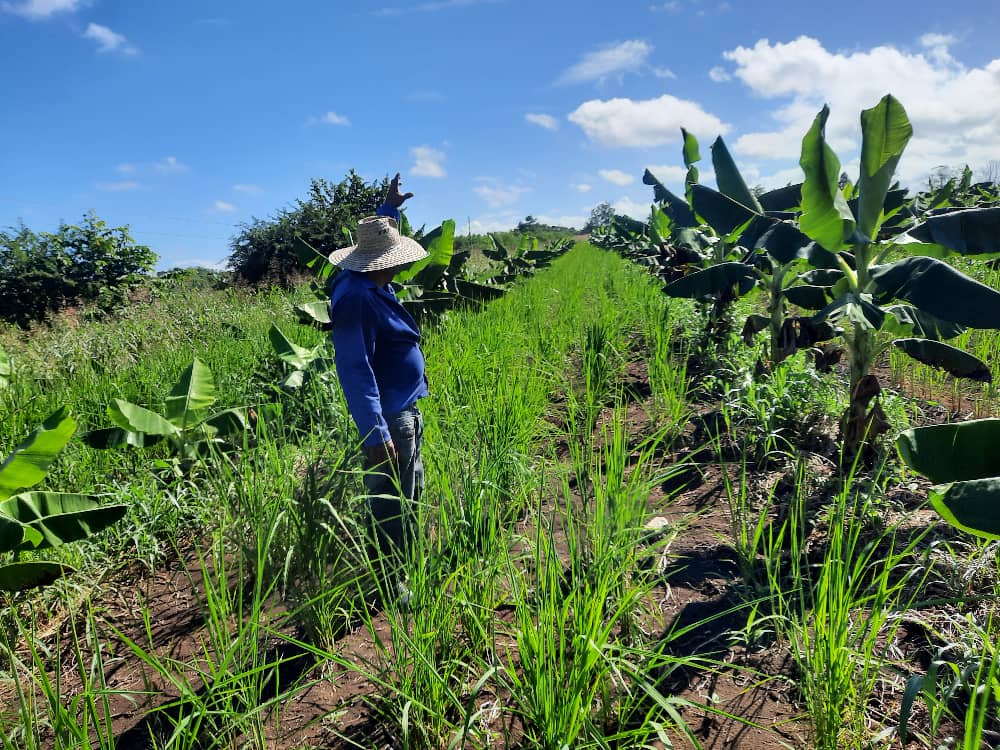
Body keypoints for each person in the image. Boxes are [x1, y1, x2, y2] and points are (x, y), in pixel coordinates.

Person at [328, 173, 428, 575]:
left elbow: (380, 243)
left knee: (410, 491)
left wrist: (389, 210)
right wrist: (375, 433)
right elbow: (354, 368)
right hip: (389, 418)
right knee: (391, 501)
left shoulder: (366, 279)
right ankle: (392, 580)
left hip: (403, 407)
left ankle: (407, 565)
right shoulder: (355, 297)